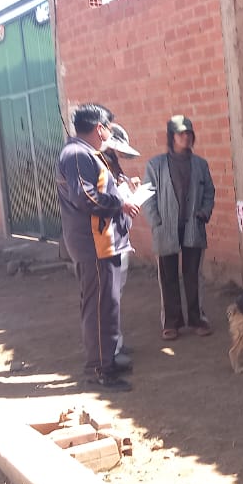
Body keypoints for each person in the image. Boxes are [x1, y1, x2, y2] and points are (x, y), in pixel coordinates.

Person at [56, 103, 140, 391]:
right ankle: (100, 369)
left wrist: (122, 193)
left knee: (108, 305)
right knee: (100, 308)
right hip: (94, 245)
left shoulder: (87, 154)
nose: (108, 135)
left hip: (104, 243)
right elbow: (86, 197)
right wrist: (121, 203)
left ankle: (108, 358)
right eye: (108, 129)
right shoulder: (77, 154)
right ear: (99, 128)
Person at [142, 115, 216, 341]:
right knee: (168, 277)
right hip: (165, 229)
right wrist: (156, 221)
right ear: (171, 137)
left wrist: (204, 212)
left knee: (193, 275)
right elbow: (147, 196)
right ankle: (171, 322)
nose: (186, 137)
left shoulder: (200, 165)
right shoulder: (155, 165)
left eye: (189, 133)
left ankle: (197, 318)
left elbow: (209, 192)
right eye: (181, 133)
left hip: (193, 225)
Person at [99, 122, 141, 359]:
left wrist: (129, 189)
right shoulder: (94, 162)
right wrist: (123, 198)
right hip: (106, 240)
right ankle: (109, 352)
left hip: (120, 236)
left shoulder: (111, 161)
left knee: (117, 295)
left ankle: (116, 344)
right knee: (108, 297)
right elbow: (101, 199)